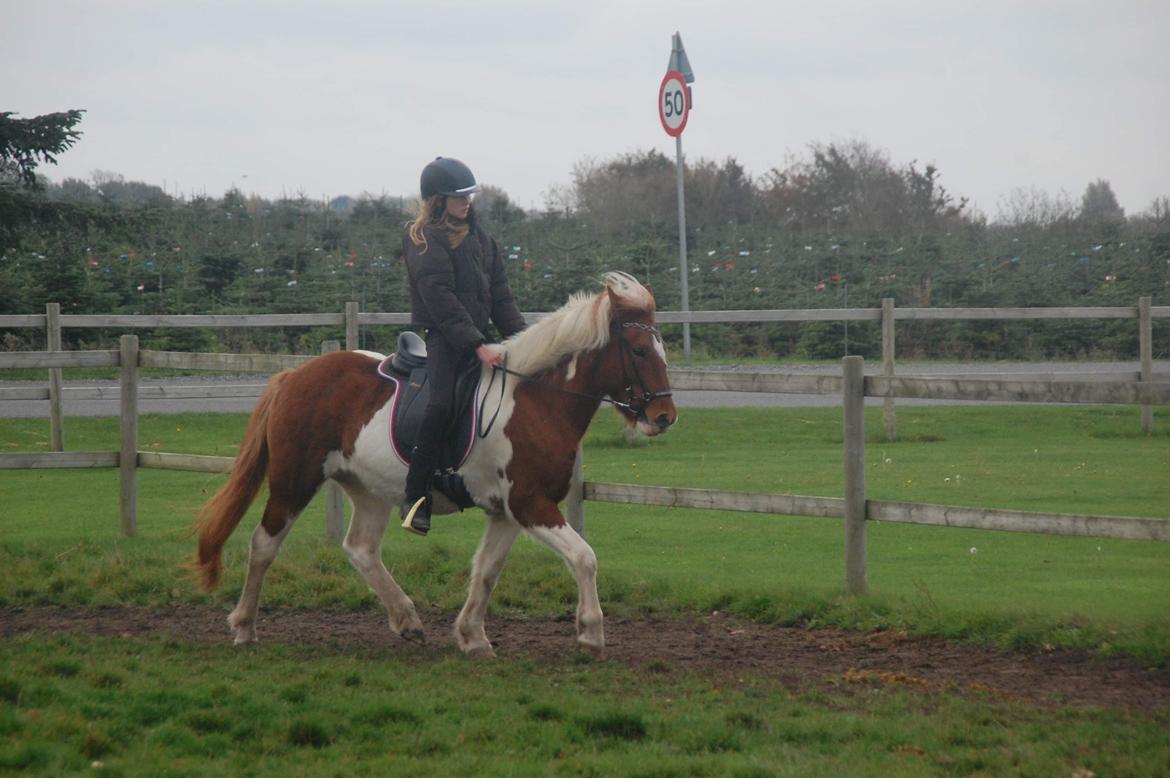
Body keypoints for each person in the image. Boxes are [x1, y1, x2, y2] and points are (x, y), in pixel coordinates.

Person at [400, 157, 526, 535]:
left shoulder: (483, 240)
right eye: (458, 197)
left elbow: (502, 299)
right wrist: (476, 345)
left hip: (479, 338)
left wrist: (524, 344)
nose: (466, 202)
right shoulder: (422, 239)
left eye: (468, 196)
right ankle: (415, 496)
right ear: (437, 200)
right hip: (445, 340)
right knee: (439, 407)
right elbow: (440, 298)